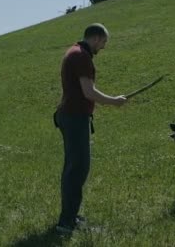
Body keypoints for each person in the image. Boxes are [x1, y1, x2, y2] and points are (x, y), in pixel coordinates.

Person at [54, 23, 127, 234]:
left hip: (71, 116)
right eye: (103, 42)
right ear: (95, 38)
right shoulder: (81, 56)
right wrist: (114, 101)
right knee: (77, 169)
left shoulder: (75, 52)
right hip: (74, 117)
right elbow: (88, 92)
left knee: (74, 168)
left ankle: (70, 216)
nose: (103, 47)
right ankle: (66, 223)